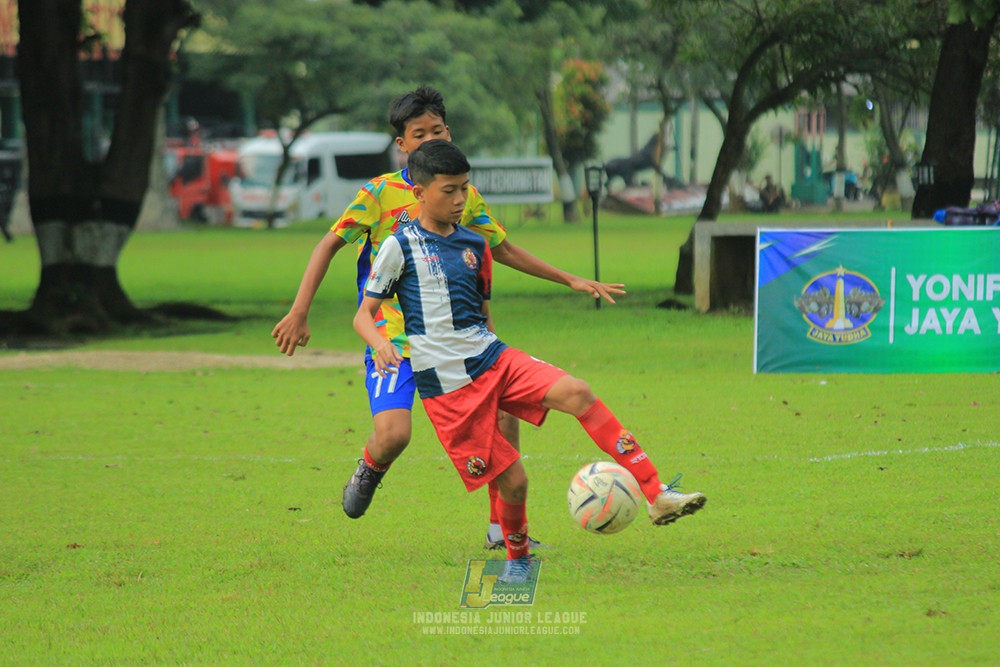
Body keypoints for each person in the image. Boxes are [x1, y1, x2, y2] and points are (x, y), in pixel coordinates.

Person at [271, 86, 625, 549]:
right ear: (402, 144)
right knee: (394, 436)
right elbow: (328, 245)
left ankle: (502, 531)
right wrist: (299, 311)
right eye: (418, 134)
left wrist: (570, 279)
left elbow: (500, 250)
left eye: (437, 130)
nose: (429, 138)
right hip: (394, 339)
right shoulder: (377, 195)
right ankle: (370, 467)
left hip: (460, 344)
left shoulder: (462, 193)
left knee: (504, 417)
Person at [354, 140, 706, 579]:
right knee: (515, 481)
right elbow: (363, 316)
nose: (461, 199)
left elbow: (481, 311)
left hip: (492, 358)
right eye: (449, 191)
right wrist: (382, 343)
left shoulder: (474, 245)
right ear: (420, 193)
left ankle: (656, 495)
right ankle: (517, 563)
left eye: (465, 188)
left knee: (577, 392)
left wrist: (504, 365)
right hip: (447, 387)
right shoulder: (397, 246)